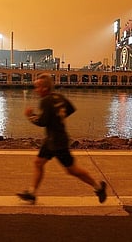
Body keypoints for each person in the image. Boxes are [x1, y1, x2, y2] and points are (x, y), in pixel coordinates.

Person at [17, 73, 107, 204]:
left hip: (57, 142)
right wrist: (59, 118)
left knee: (72, 170)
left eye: (37, 87)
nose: (36, 90)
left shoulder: (45, 101)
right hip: (52, 139)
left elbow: (42, 122)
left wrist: (30, 115)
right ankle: (32, 193)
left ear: (45, 88)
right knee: (38, 162)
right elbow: (70, 109)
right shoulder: (59, 97)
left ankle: (98, 187)